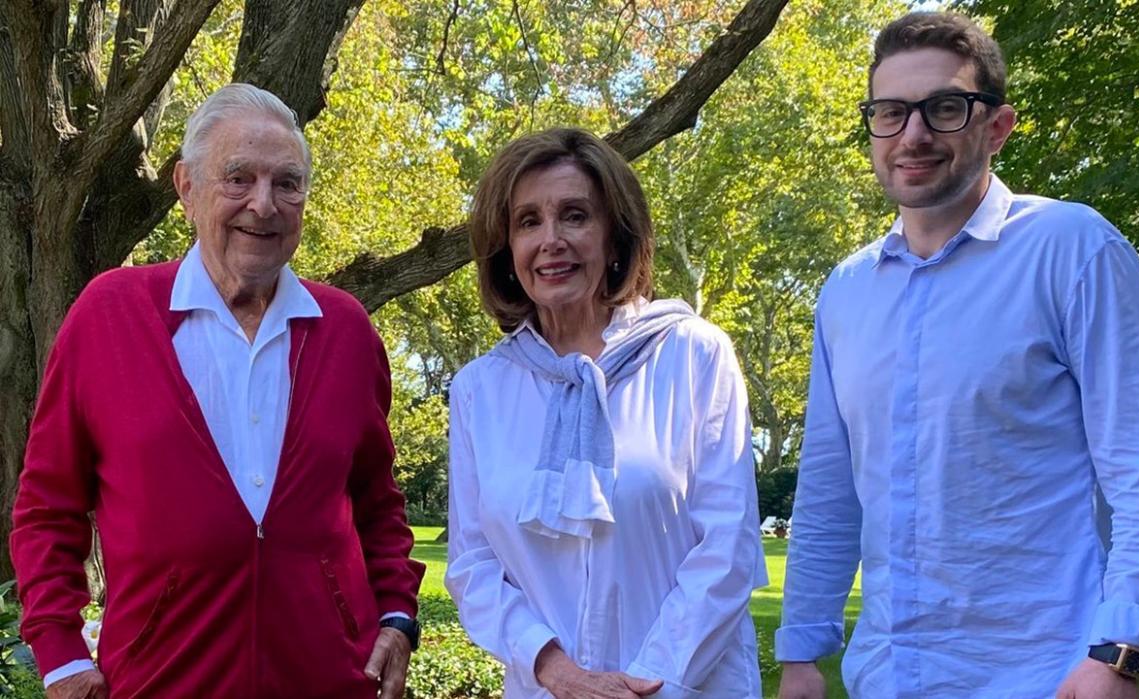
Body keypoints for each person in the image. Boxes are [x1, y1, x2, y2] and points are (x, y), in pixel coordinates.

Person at [776, 12, 1139, 699]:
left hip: (1044, 675)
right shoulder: (847, 291)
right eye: (891, 112)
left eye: (944, 108)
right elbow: (828, 493)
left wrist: (1121, 652)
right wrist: (800, 652)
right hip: (884, 676)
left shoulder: (1072, 249)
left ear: (996, 126)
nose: (913, 134)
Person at [11, 83, 425, 699]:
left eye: (288, 183)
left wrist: (397, 614)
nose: (264, 204)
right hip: (162, 682)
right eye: (238, 178)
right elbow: (48, 507)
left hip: (329, 680)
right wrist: (62, 656)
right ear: (186, 187)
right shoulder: (109, 316)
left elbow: (376, 501)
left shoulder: (344, 331)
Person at [445, 127, 767, 698]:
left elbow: (728, 549)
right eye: (528, 221)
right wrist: (558, 673)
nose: (551, 240)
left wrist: (644, 682)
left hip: (681, 687)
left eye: (575, 216)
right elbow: (474, 567)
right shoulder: (480, 391)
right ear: (507, 249)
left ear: (616, 239)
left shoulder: (693, 354)